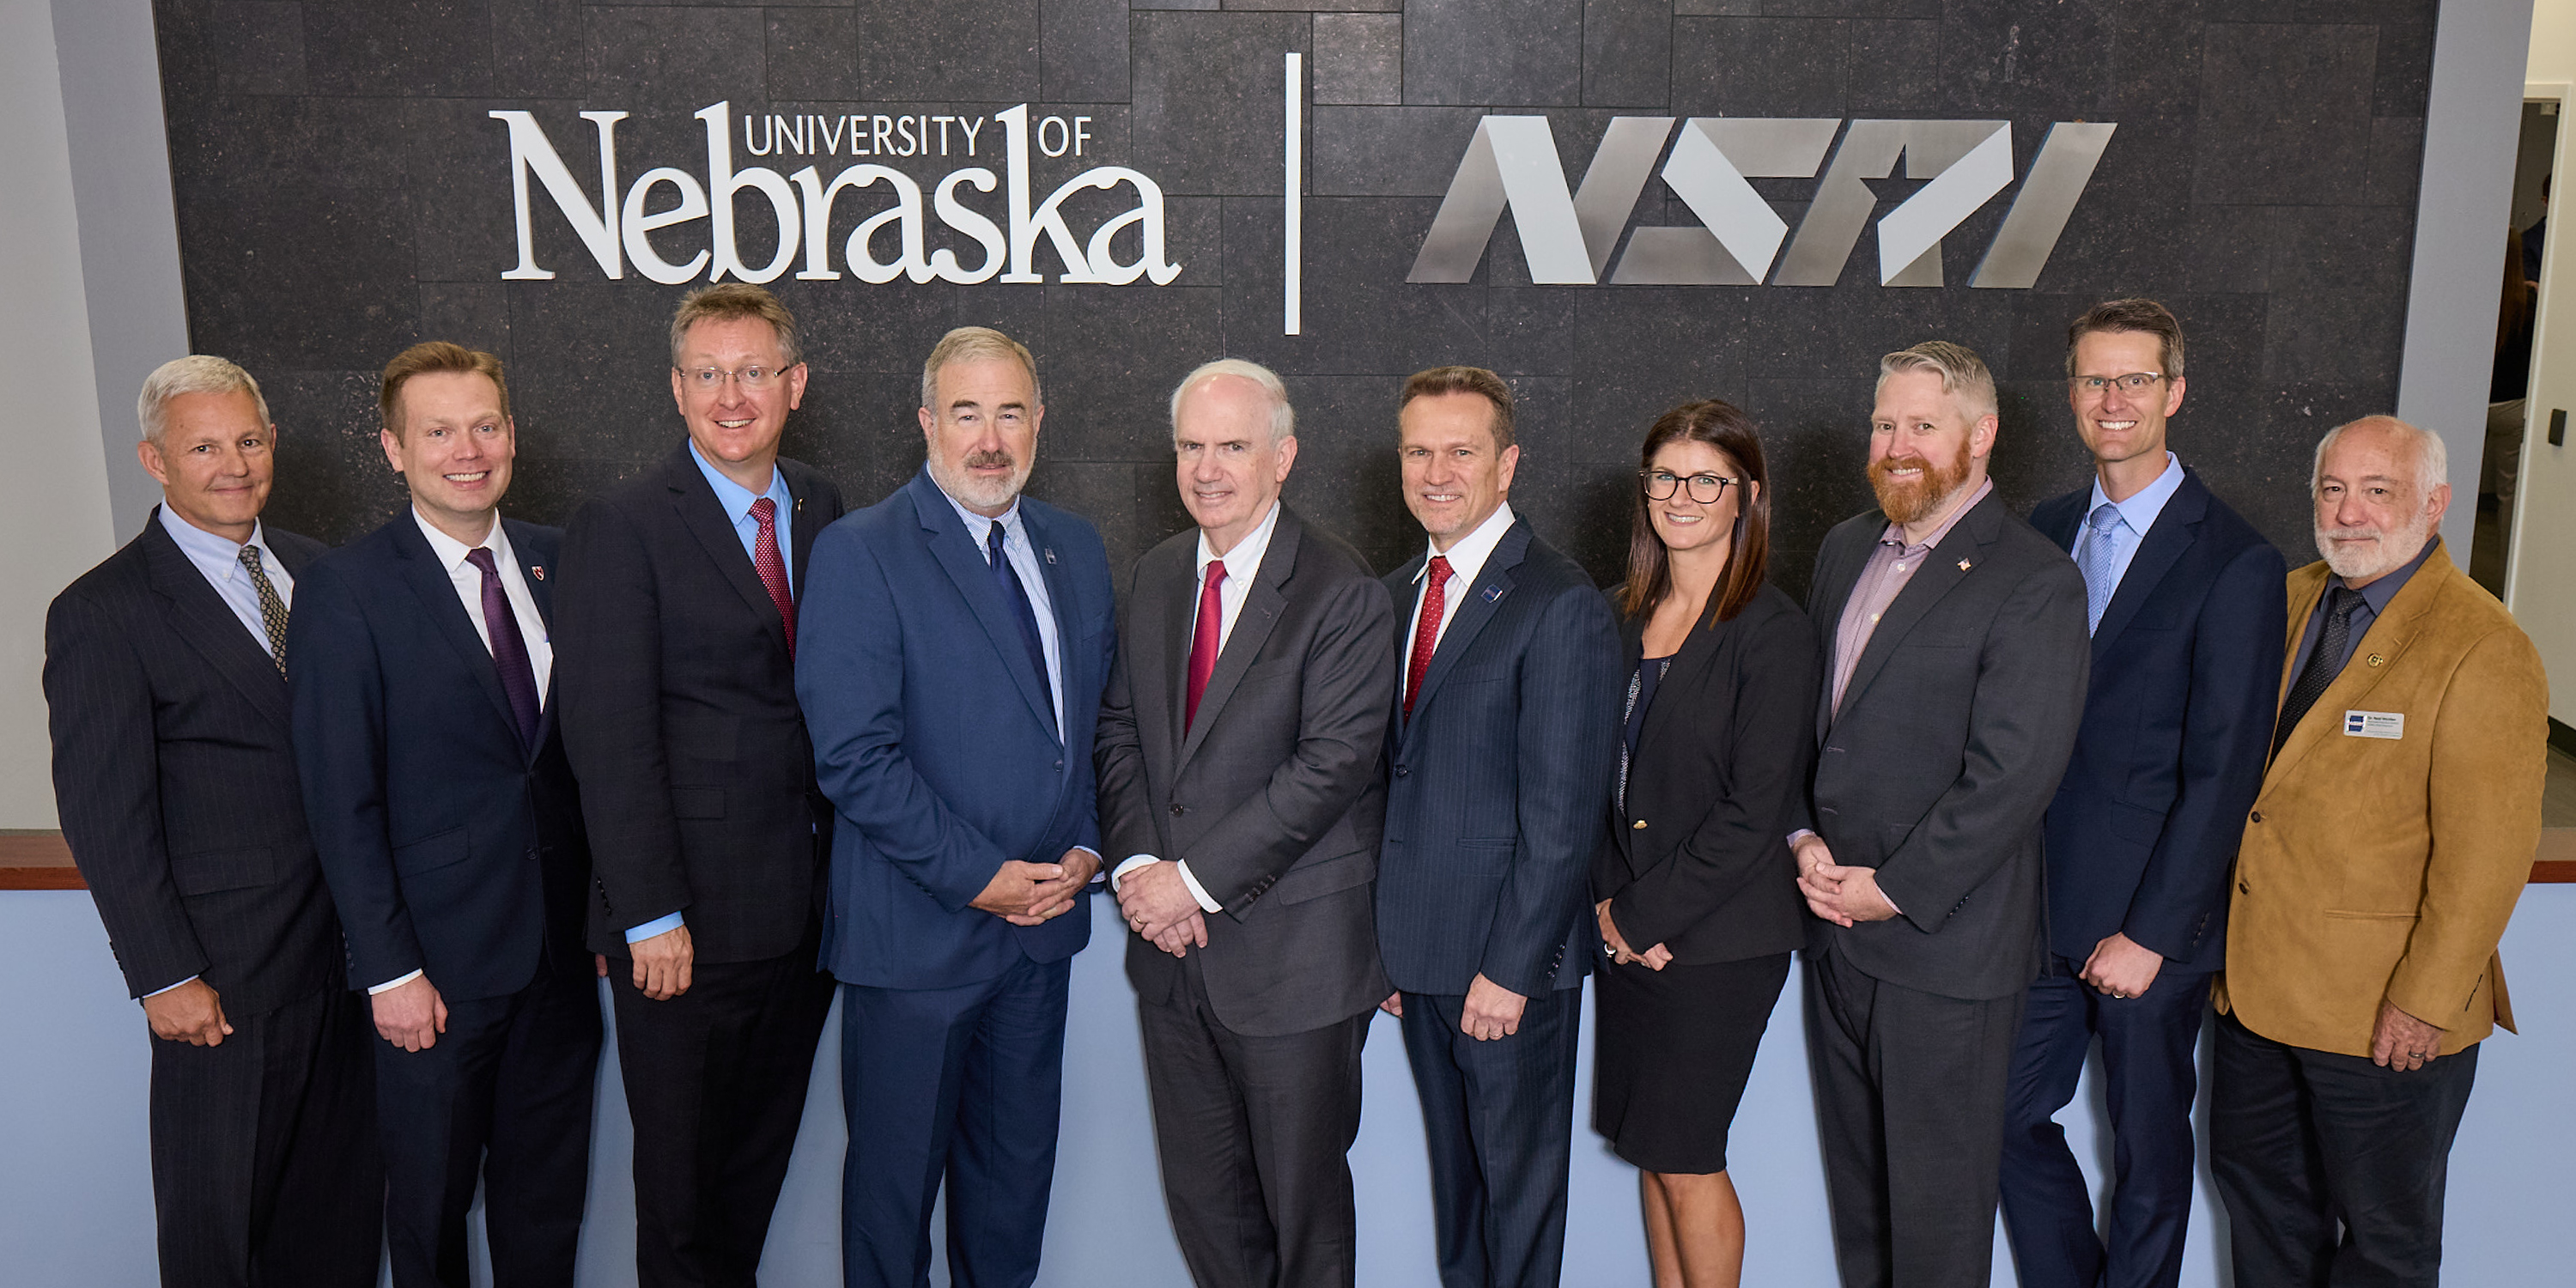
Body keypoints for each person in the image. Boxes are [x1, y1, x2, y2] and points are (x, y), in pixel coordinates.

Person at [44, 355, 381, 1288]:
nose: (231, 463)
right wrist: (165, 976)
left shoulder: (330, 575)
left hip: (352, 969)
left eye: (245, 439)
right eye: (203, 446)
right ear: (156, 461)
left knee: (339, 1225)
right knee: (217, 1234)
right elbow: (106, 814)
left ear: (271, 444)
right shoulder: (102, 612)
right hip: (223, 983)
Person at [797, 325, 1117, 1288]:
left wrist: (1090, 848)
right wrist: (983, 879)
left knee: (1011, 1197)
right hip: (920, 942)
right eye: (967, 413)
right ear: (927, 423)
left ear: (1039, 422)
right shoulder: (863, 551)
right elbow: (855, 758)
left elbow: (1098, 721)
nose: (990, 438)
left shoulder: (1075, 546)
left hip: (1041, 939)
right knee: (894, 1209)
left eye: (1009, 412)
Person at [289, 341, 599, 1287]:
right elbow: (341, 798)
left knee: (545, 1205)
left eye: (485, 425)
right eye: (438, 431)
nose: (467, 449)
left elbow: (581, 760)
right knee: (427, 1211)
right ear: (393, 448)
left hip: (558, 962)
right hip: (433, 975)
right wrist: (388, 970)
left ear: (509, 434)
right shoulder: (347, 589)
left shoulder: (560, 559)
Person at [2211, 415, 2547, 1288]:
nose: (2349, 512)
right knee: (2263, 1213)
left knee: (2384, 1246)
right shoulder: (2285, 599)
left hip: (2385, 1018)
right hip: (2255, 998)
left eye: (2377, 491)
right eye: (2333, 489)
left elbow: (2489, 854)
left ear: (2434, 506)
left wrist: (2425, 1002)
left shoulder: (2483, 645)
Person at [553, 283, 844, 1287]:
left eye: (754, 372)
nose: (733, 396)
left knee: (754, 1171)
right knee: (681, 1197)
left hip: (803, 919)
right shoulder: (621, 525)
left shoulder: (817, 504)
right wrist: (647, 915)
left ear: (793, 385)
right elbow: (608, 733)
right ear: (677, 391)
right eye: (710, 375)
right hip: (684, 931)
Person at [2001, 301, 2287, 1288]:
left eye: (2133, 380)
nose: (2112, 400)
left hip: (2147, 928)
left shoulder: (2236, 561)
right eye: (2093, 380)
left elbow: (2225, 769)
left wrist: (2155, 933)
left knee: (2151, 1156)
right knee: (2002, 1119)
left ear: (2175, 393)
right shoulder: (2040, 529)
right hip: (2036, 909)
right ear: (2072, 394)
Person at [1095, 359, 1398, 1288]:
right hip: (1174, 964)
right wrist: (1144, 865)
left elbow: (1331, 769)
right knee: (1210, 1220)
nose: (1208, 468)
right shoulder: (1154, 576)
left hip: (1294, 968)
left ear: (1283, 458)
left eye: (1233, 446)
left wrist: (1187, 883)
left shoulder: (1340, 591)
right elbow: (1120, 731)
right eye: (1192, 446)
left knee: (1304, 1224)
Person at [1795, 341, 2089, 1288]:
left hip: (1946, 950)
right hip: (1837, 934)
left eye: (1923, 425)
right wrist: (1803, 840)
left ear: (1981, 434)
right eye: (1885, 424)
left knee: (1936, 1227)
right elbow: (1815, 726)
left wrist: (1896, 889)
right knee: (1865, 1212)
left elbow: (2014, 774)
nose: (1898, 445)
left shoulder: (2035, 579)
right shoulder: (1847, 548)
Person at [1374, 366, 1622, 1288]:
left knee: (1517, 1208)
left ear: (1507, 464)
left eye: (1461, 451)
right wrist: (1393, 950)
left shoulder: (1559, 602)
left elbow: (1563, 815)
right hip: (1423, 961)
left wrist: (1510, 972)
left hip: (1504, 975)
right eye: (1419, 450)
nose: (1437, 471)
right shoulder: (1400, 590)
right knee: (1461, 1201)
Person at [1590, 400, 1818, 1288]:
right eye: (1664, 477)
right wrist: (1611, 915)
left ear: (1745, 495)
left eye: (1705, 480)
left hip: (1717, 945)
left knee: (1689, 1156)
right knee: (1651, 1151)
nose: (1680, 496)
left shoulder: (1772, 630)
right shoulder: (1622, 615)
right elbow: (1597, 785)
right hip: (1627, 935)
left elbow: (1752, 813)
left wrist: (1639, 917)